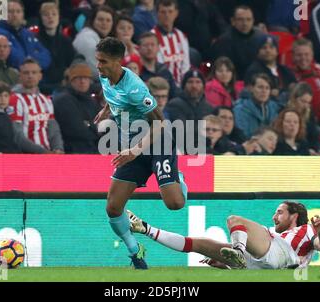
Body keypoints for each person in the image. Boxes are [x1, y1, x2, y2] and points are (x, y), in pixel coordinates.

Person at [93, 37, 188, 269]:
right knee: (113, 207)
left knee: (175, 204)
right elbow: (111, 94)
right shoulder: (105, 76)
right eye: (98, 60)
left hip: (156, 143)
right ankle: (135, 250)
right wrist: (106, 110)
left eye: (103, 62)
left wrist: (135, 150)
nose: (98, 66)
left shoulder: (135, 88)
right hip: (132, 148)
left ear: (118, 62)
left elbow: (160, 123)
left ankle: (178, 178)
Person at [127, 200, 320, 269]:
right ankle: (146, 228)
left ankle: (238, 252)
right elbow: (264, 263)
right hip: (261, 264)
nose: (274, 216)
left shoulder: (305, 230)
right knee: (198, 244)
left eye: (280, 212)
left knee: (235, 220)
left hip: (281, 255)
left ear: (294, 216)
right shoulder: (270, 234)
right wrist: (225, 264)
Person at [8, 58, 64, 154]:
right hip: (26, 155)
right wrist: (44, 153)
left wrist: (58, 148)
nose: (30, 76)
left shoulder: (46, 100)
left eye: (34, 72)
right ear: (20, 76)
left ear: (40, 76)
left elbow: (53, 130)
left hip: (47, 154)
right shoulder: (14, 100)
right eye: (26, 73)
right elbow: (17, 136)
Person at [53, 63, 101, 153]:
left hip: (93, 148)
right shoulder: (63, 100)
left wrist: (89, 125)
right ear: (71, 81)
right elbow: (76, 130)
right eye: (78, 78)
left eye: (86, 78)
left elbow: (103, 125)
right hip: (73, 150)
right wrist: (94, 128)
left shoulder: (91, 101)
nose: (82, 81)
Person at [209, 5, 265, 80]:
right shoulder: (223, 42)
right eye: (240, 19)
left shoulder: (261, 38)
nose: (245, 23)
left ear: (253, 21)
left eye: (248, 19)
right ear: (233, 21)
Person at [0, 0, 51, 70]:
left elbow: (46, 56)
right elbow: (15, 59)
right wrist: (32, 58)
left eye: (18, 11)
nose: (15, 15)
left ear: (23, 15)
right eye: (10, 11)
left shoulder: (28, 33)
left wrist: (28, 59)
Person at [166, 69, 214, 153]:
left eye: (198, 82)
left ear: (203, 85)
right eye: (190, 82)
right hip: (183, 154)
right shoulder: (175, 105)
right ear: (184, 85)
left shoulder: (209, 108)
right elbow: (182, 134)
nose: (194, 86)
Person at [244, 34, 297, 104]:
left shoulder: (285, 70)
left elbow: (295, 88)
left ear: (277, 51)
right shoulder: (253, 71)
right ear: (257, 52)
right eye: (264, 48)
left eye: (271, 47)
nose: (268, 50)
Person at [37, 2, 76, 95]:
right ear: (41, 18)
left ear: (58, 17)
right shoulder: (36, 40)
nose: (50, 17)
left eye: (54, 14)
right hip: (44, 85)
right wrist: (63, 73)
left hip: (64, 83)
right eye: (46, 14)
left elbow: (74, 59)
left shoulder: (65, 40)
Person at [151, 0, 190, 86]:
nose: (167, 15)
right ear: (157, 14)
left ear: (176, 13)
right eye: (163, 12)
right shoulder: (152, 36)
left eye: (170, 11)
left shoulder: (181, 36)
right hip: (161, 86)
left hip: (181, 87)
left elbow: (186, 66)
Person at [72, 5, 115, 77]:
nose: (104, 23)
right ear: (92, 21)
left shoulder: (98, 38)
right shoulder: (86, 38)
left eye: (108, 20)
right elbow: (96, 71)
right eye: (100, 19)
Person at [233, 73, 280, 138]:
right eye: (260, 87)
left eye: (267, 88)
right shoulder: (240, 109)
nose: (264, 91)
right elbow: (242, 135)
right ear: (251, 88)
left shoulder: (274, 108)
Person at [138, 32, 179, 99]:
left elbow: (174, 94)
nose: (149, 48)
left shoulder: (164, 70)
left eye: (153, 45)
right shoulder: (136, 71)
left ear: (158, 48)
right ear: (139, 48)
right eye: (146, 45)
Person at [286, 83, 320, 154]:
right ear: (294, 99)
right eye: (303, 101)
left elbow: (314, 135)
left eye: (308, 103)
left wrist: (318, 149)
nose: (305, 106)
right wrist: (307, 151)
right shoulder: (285, 113)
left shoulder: (309, 114)